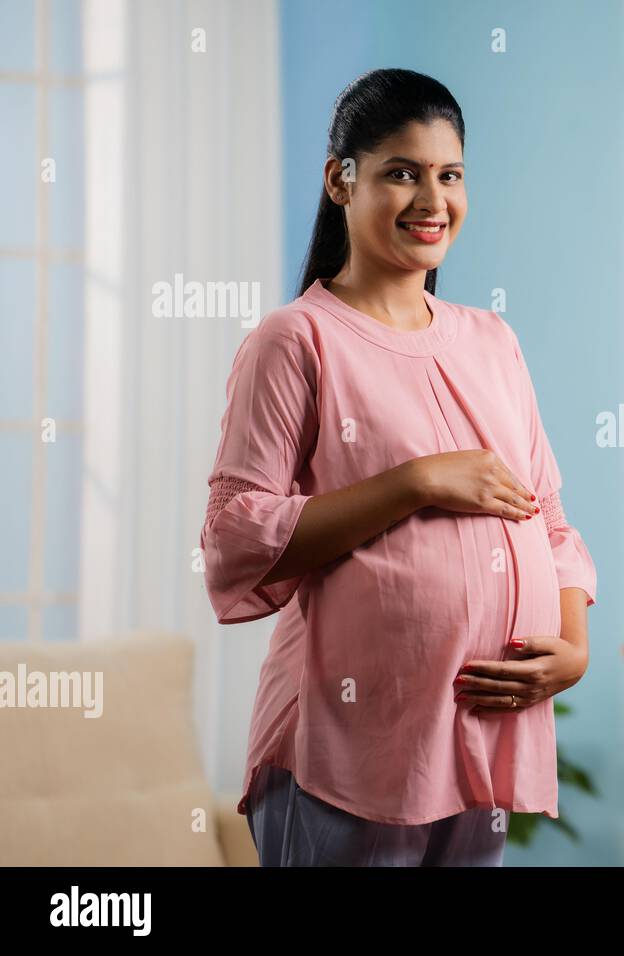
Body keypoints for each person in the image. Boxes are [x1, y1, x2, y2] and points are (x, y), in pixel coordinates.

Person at [199, 68, 597, 866]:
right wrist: (414, 483)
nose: (431, 199)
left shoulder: (492, 340)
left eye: (449, 175)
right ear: (339, 182)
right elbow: (235, 532)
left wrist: (574, 647)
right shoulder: (295, 341)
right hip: (346, 746)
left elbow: (549, 521)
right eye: (401, 174)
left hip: (480, 741)